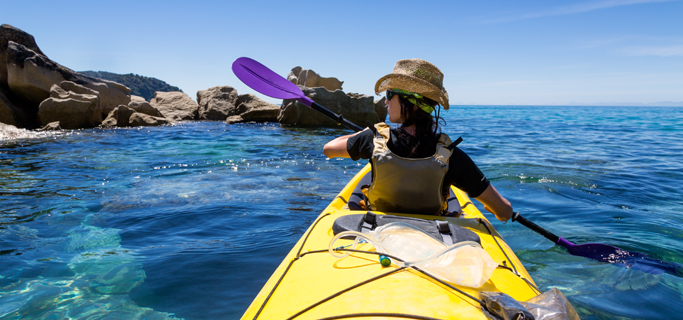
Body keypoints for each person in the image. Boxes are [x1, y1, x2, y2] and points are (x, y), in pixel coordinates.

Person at [323, 59, 512, 221]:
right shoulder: (452, 156)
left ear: (409, 103)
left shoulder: (372, 140)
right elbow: (503, 211)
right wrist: (500, 212)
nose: (386, 101)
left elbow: (329, 149)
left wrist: (364, 133)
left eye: (389, 95)